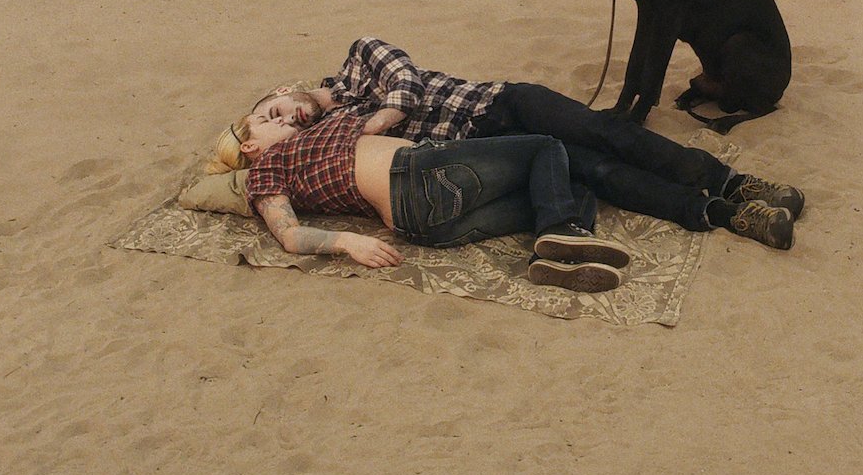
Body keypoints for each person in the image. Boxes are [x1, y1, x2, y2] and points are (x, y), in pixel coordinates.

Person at [260, 37, 804, 249]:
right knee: (597, 174)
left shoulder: (357, 63)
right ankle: (723, 213)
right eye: (278, 124)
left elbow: (405, 81)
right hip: (488, 147)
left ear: (285, 91)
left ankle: (731, 179)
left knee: (607, 133)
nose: (287, 119)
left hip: (501, 104)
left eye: (276, 110)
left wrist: (380, 118)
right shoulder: (325, 138)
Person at [178, 100, 633, 292]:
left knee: (567, 185)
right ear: (251, 145)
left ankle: (552, 259)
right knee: (548, 147)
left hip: (428, 226)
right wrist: (347, 242)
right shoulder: (268, 169)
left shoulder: (314, 132)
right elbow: (290, 236)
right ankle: (559, 231)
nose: (279, 120)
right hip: (419, 175)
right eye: (264, 120)